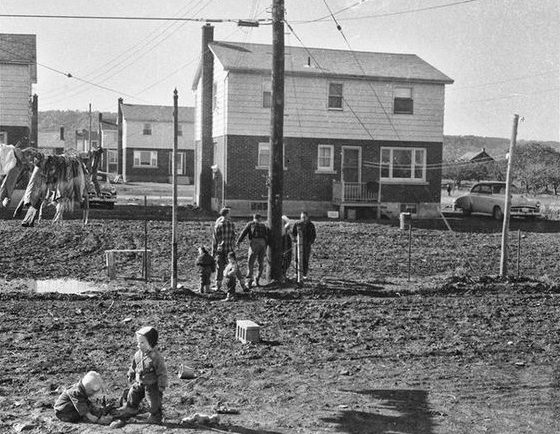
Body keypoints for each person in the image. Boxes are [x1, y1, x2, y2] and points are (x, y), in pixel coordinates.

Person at [118, 326, 168, 424]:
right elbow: (133, 365)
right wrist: (131, 373)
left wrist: (162, 385)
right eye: (138, 342)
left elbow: (162, 372)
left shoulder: (156, 357)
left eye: (142, 342)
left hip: (152, 384)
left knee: (153, 401)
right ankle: (131, 408)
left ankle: (156, 415)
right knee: (133, 393)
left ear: (151, 343)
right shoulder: (137, 355)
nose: (139, 345)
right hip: (139, 381)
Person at [236, 213, 269, 287]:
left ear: (254, 218)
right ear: (260, 218)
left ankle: (249, 281)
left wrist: (239, 241)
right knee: (261, 262)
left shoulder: (251, 224)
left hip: (254, 242)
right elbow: (267, 235)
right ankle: (257, 279)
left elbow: (244, 233)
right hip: (263, 243)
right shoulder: (264, 226)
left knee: (250, 262)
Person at [212, 208, 236, 291]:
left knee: (219, 267)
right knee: (233, 266)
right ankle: (241, 285)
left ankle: (218, 286)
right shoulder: (232, 224)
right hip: (229, 249)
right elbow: (233, 237)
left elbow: (215, 240)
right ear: (227, 214)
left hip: (220, 249)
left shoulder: (218, 225)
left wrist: (213, 252)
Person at [292, 211, 316, 279]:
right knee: (296, 259)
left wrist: (310, 242)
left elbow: (313, 235)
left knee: (305, 259)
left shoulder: (311, 225)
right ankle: (296, 273)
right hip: (298, 244)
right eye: (302, 217)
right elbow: (294, 233)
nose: (303, 218)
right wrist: (295, 240)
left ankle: (304, 274)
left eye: (304, 217)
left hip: (306, 245)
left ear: (307, 217)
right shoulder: (297, 224)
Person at [281, 215, 293, 280]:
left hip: (285, 239)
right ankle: (282, 273)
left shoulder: (284, 218)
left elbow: (289, 228)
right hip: (281, 239)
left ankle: (283, 273)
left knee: (287, 257)